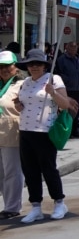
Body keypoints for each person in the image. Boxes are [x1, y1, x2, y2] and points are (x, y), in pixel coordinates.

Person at [14, 49, 76, 223]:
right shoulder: (25, 82)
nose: (34, 67)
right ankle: (36, 207)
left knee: (48, 169)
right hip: (25, 130)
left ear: (44, 65)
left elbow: (66, 105)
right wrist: (19, 105)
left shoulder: (54, 79)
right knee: (30, 171)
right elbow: (23, 104)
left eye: (38, 64)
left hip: (44, 131)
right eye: (31, 64)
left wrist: (53, 93)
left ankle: (59, 202)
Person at [0, 51, 24, 219]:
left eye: (8, 66)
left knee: (12, 171)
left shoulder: (22, 85)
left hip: (12, 133)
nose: (4, 69)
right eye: (1, 66)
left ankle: (12, 207)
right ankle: (8, 203)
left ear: (16, 67)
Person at [53, 41, 79, 138]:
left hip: (76, 89)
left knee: (76, 110)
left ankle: (74, 130)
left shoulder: (78, 60)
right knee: (67, 111)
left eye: (75, 48)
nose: (73, 50)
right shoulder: (62, 59)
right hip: (67, 90)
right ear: (67, 48)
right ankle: (67, 131)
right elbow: (57, 73)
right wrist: (67, 79)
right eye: (71, 48)